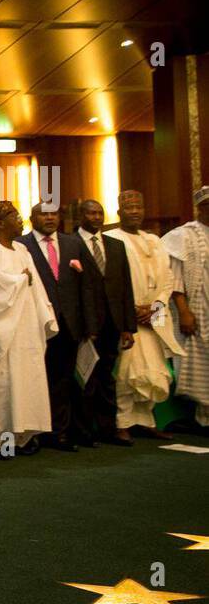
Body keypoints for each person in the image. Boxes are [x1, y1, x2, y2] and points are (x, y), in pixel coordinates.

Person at [0, 202, 57, 456]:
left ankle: (20, 439)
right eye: (16, 217)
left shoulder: (22, 249)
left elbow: (36, 284)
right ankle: (0, 443)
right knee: (4, 389)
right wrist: (20, 280)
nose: (21, 222)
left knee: (25, 384)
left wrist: (46, 316)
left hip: (26, 327)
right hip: (3, 330)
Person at [20, 202, 98, 451]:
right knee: (37, 379)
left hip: (70, 324)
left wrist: (90, 324)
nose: (50, 218)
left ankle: (61, 432)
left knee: (65, 380)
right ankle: (36, 432)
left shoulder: (73, 243)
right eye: (44, 214)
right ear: (32, 218)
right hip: (36, 324)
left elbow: (87, 285)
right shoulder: (21, 245)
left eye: (54, 213)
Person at [106, 190, 182, 441]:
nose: (135, 212)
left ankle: (146, 421)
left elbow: (168, 279)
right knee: (128, 372)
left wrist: (156, 309)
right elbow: (111, 283)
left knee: (155, 370)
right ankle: (122, 423)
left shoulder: (154, 240)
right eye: (129, 208)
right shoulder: (110, 239)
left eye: (139, 207)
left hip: (154, 315)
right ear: (119, 212)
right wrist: (131, 312)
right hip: (128, 317)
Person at [74, 198, 138, 445]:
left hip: (112, 322)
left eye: (99, 213)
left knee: (107, 378)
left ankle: (108, 429)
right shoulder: (70, 243)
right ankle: (84, 431)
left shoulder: (115, 245)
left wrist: (127, 327)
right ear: (81, 216)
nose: (96, 217)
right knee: (84, 379)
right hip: (84, 324)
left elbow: (125, 287)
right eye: (91, 213)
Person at [164, 187, 209, 428]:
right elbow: (175, 279)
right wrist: (184, 311)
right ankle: (203, 419)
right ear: (200, 208)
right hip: (198, 310)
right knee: (203, 363)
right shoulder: (184, 236)